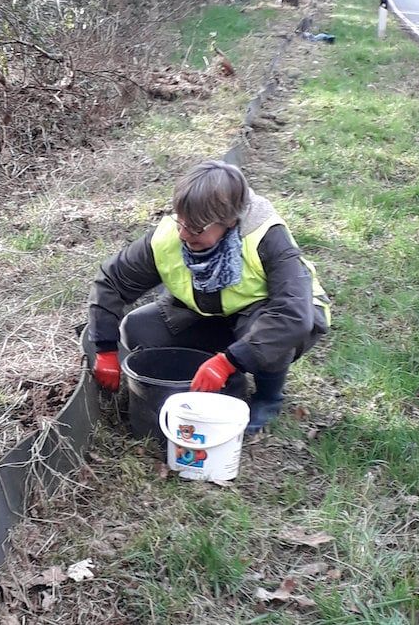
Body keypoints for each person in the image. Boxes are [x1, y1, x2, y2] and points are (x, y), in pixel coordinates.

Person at [87, 160, 330, 434]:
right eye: (181, 222)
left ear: (229, 222)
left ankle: (267, 398)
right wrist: (106, 348)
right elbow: (112, 280)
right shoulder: (170, 236)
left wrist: (228, 361)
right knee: (138, 328)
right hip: (210, 313)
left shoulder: (267, 237)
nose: (183, 234)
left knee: (269, 332)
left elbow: (292, 315)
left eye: (196, 228)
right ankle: (217, 376)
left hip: (274, 318)